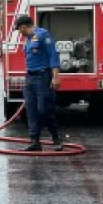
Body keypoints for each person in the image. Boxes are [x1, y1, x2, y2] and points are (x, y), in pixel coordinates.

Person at [14, 13, 64, 152]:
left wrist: (55, 77)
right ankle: (35, 141)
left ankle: (56, 138)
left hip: (43, 77)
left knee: (44, 110)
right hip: (30, 78)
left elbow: (53, 56)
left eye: (19, 29)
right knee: (31, 110)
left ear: (23, 27)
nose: (19, 32)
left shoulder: (43, 35)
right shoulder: (28, 39)